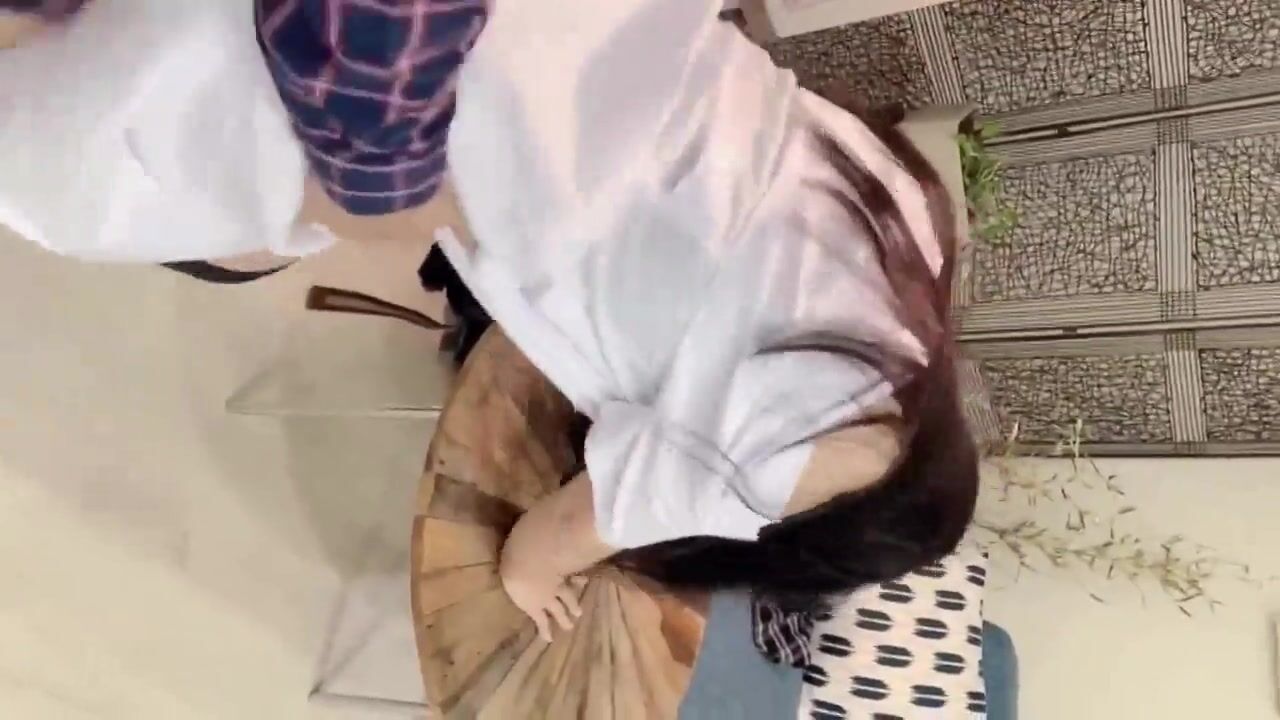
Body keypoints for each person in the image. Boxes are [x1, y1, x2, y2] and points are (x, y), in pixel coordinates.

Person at [431, 0, 980, 640]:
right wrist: (533, 578)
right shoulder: (802, 475)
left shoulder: (918, 249)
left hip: (637, 30)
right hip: (511, 108)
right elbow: (556, 537)